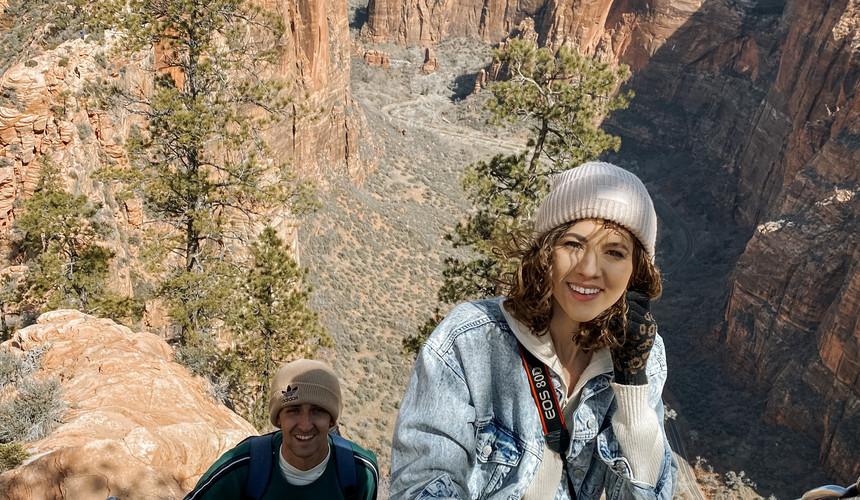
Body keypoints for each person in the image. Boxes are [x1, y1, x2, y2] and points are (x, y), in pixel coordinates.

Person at [390, 162, 679, 500]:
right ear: (546, 253)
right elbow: (423, 485)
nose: (588, 269)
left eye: (614, 252)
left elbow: (644, 494)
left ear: (636, 272)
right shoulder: (469, 341)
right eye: (573, 244)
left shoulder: (643, 354)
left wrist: (631, 388)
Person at [185, 359, 379, 500]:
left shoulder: (359, 471)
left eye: (318, 411)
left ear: (331, 420)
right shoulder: (241, 468)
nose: (305, 424)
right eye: (293, 410)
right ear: (278, 419)